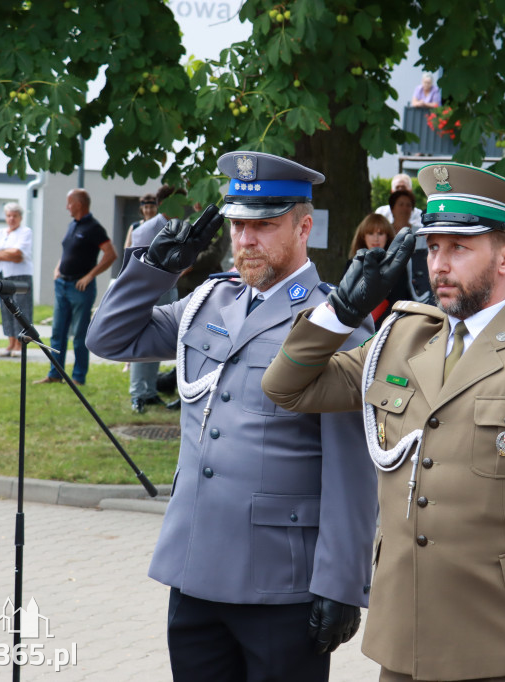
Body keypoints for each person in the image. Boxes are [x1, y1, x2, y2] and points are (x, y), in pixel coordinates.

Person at [262, 161, 505, 682]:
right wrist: (341, 310)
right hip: (404, 634)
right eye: (433, 247)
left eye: (459, 248)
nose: (439, 265)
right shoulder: (402, 337)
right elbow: (286, 387)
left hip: (500, 636)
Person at [85, 151, 377, 681]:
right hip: (194, 569)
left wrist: (341, 584)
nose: (245, 240)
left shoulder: (335, 323)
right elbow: (108, 337)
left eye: (263, 225)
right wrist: (154, 269)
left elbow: (353, 470)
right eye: (239, 224)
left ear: (302, 226)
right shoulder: (207, 302)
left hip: (281, 583)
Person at [35, 189, 115, 386]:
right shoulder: (73, 225)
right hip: (62, 284)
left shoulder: (94, 228)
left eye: (69, 203)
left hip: (80, 288)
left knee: (79, 335)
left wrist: (89, 276)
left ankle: (78, 377)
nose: (66, 207)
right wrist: (57, 268)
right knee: (57, 332)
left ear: (78, 204)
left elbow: (111, 254)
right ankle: (55, 374)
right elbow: (68, 251)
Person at [126, 185, 183, 413]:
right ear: (166, 203)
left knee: (157, 341)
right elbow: (137, 262)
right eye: (178, 202)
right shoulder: (147, 229)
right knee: (143, 343)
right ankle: (138, 394)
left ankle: (150, 392)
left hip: (167, 291)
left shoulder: (174, 226)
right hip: (148, 291)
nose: (183, 207)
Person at [0, 202, 34, 356]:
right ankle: (11, 343)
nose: (11, 219)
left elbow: (18, 255)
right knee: (6, 308)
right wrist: (7, 253)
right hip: (2, 274)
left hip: (20, 275)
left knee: (21, 309)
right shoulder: (0, 232)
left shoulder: (25, 231)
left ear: (20, 217)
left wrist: (1, 252)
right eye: (8, 216)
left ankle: (20, 345)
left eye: (15, 216)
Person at [348, 213, 411, 328]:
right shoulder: (352, 265)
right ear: (363, 236)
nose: (375, 238)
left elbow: (399, 301)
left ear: (387, 237)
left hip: (389, 327)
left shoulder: (398, 267)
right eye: (370, 233)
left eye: (380, 233)